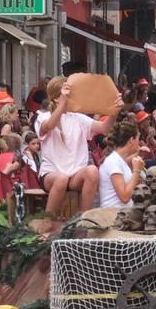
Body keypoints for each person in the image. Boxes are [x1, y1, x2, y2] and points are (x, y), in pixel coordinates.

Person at [36, 76, 109, 219]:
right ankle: (47, 220)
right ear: (58, 98)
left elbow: (104, 127)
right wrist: (62, 104)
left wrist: (113, 111)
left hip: (75, 175)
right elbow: (49, 126)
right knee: (61, 179)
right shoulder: (43, 116)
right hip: (51, 174)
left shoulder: (77, 118)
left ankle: (83, 218)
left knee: (92, 171)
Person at [97, 123, 142, 209]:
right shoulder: (113, 161)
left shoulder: (119, 160)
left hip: (123, 215)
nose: (139, 142)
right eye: (138, 139)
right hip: (112, 216)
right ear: (131, 140)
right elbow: (124, 197)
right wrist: (137, 171)